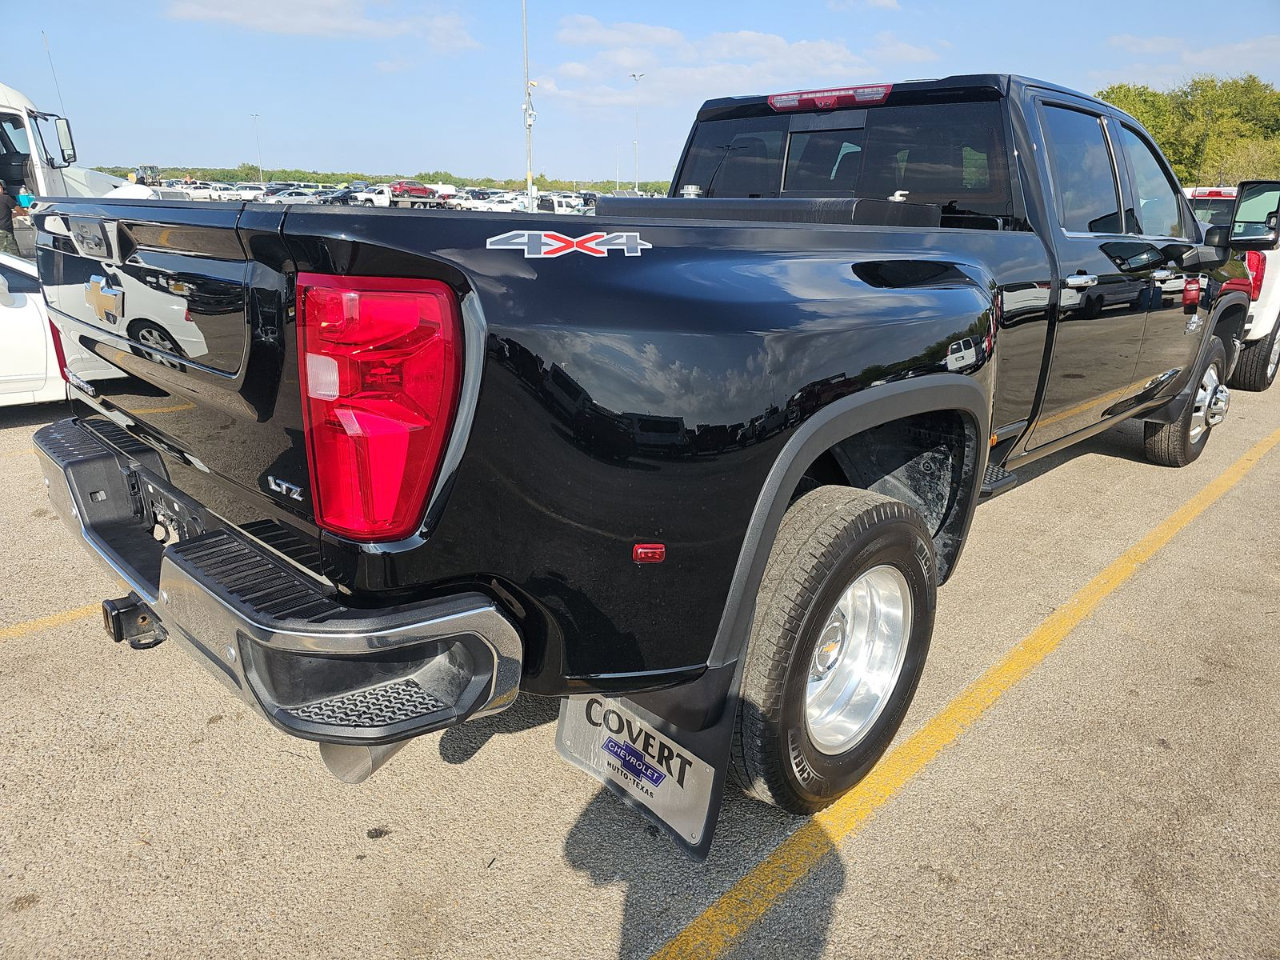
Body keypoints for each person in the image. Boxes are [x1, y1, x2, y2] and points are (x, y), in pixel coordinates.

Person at [0, 184, 23, 257]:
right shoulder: (5, 198)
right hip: (5, 231)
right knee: (15, 257)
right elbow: (20, 211)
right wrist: (26, 212)